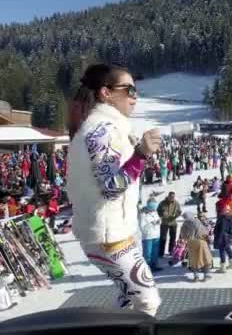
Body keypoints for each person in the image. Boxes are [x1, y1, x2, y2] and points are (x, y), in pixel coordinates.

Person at [66, 63, 161, 315]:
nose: (135, 96)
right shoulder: (102, 130)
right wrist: (140, 155)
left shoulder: (101, 126)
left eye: (136, 90)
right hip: (110, 235)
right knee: (147, 300)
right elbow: (110, 186)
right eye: (128, 90)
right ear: (105, 93)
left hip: (113, 230)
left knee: (128, 298)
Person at [180, 211, 213, 282]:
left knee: (193, 260)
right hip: (201, 242)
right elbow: (204, 232)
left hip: (191, 243)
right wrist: (208, 239)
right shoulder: (197, 221)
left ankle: (196, 276)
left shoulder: (184, 224)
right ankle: (206, 275)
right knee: (205, 258)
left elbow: (183, 235)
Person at [139, 198, 162, 272]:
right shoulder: (143, 214)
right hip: (148, 236)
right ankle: (147, 267)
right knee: (147, 253)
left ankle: (154, 265)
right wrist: (151, 223)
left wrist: (159, 221)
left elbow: (158, 220)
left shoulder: (155, 212)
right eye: (153, 207)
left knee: (155, 252)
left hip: (156, 235)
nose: (154, 209)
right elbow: (141, 225)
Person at [214, 199, 232, 273]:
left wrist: (218, 239)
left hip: (223, 237)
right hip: (228, 237)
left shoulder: (222, 218)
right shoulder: (229, 216)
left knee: (222, 251)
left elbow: (221, 230)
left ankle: (223, 267)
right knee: (227, 248)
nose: (216, 209)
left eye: (217, 208)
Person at [157, 192, 182, 257]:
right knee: (163, 238)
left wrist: (176, 215)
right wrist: (162, 214)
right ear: (168, 196)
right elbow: (158, 210)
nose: (172, 198)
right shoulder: (162, 203)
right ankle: (161, 253)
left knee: (173, 238)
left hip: (173, 223)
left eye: (173, 197)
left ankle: (171, 251)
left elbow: (179, 211)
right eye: (170, 197)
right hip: (164, 223)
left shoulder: (176, 203)